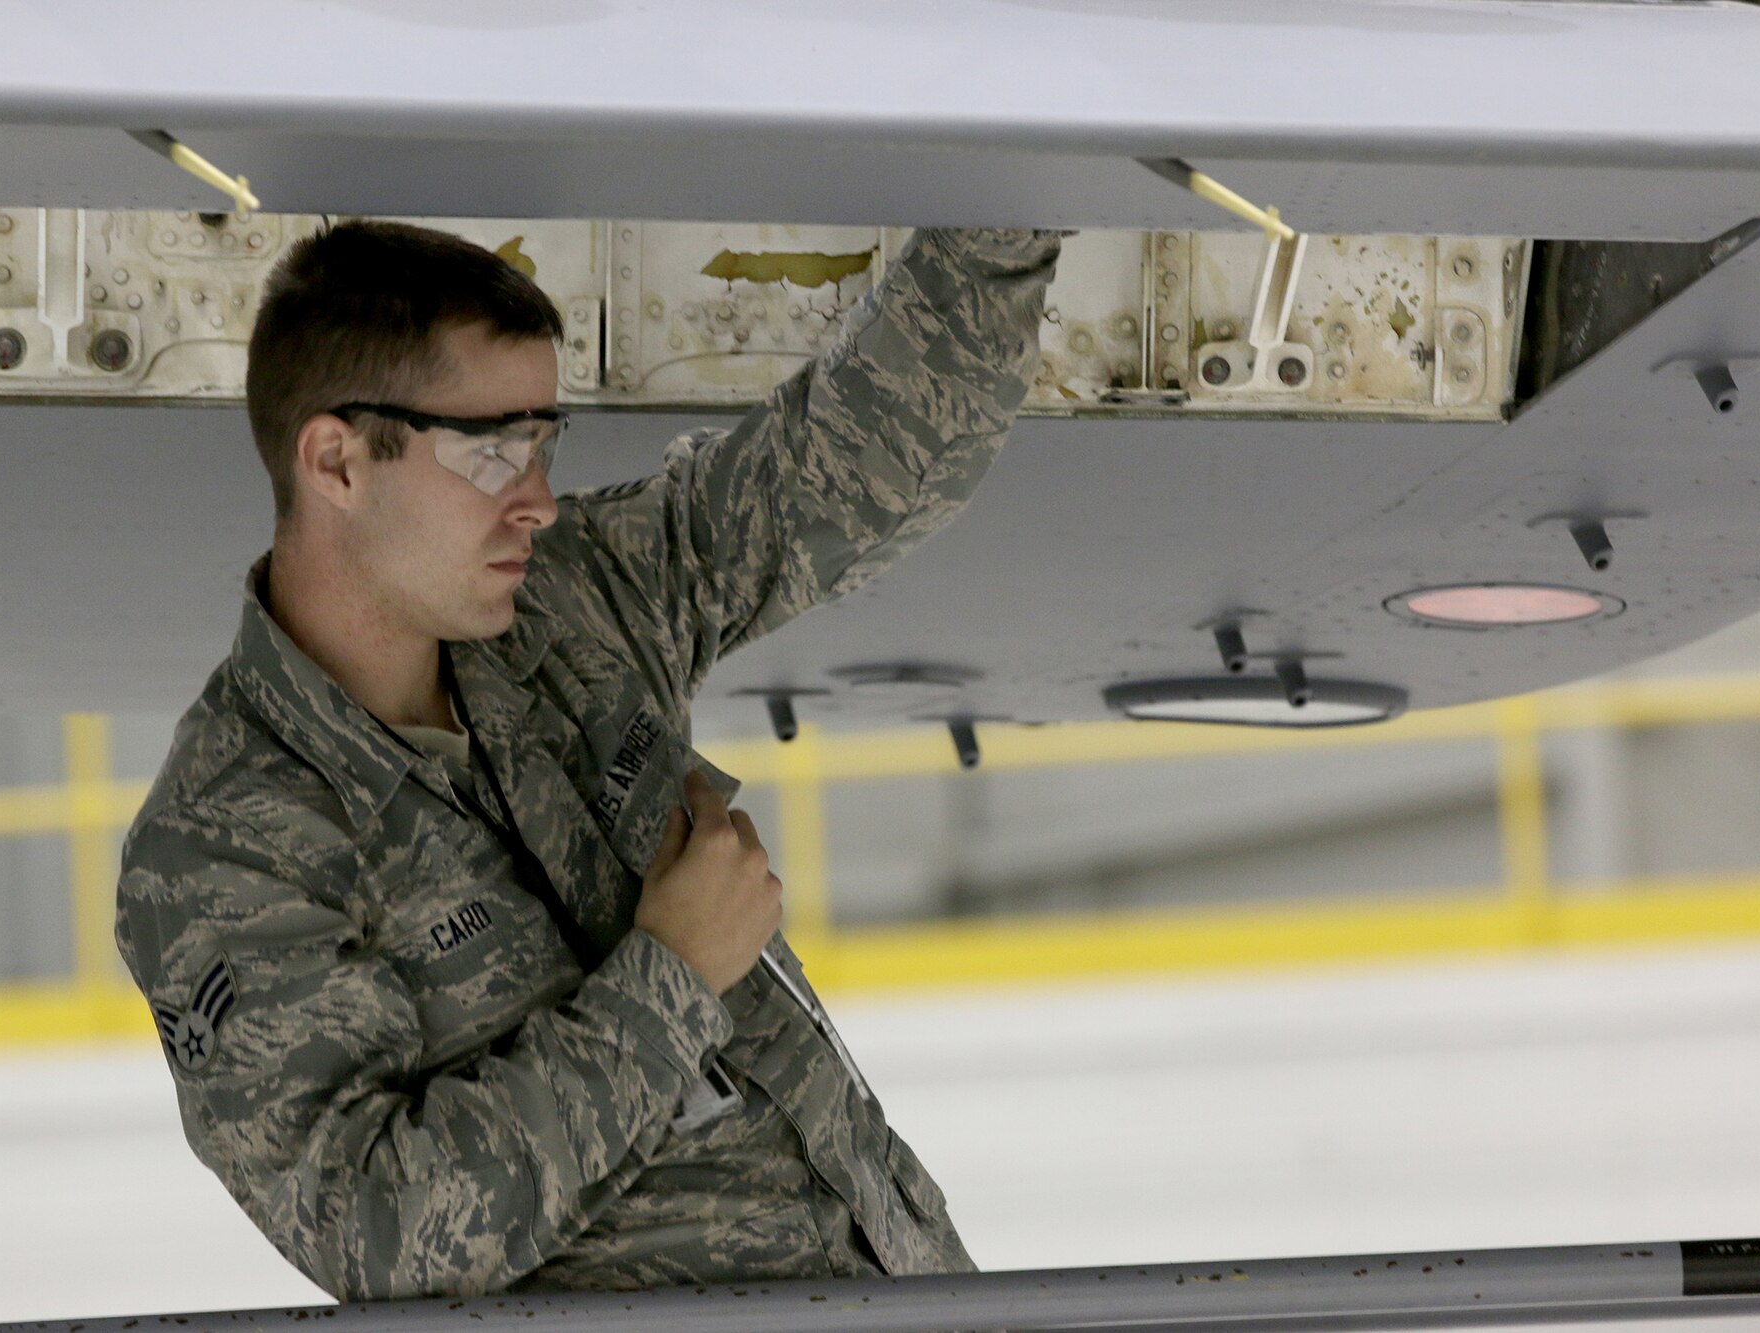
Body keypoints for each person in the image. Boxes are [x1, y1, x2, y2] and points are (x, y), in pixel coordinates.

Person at [115, 217, 1067, 1300]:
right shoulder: (224, 848)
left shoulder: (570, 606)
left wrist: (1000, 232)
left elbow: (842, 471)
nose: (536, 500)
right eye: (490, 453)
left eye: (542, 445)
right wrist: (673, 973)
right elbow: (375, 1227)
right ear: (337, 461)